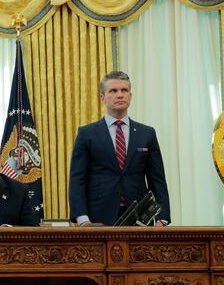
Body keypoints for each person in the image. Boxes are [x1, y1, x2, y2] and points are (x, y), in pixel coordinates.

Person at [68, 71, 170, 226]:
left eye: (124, 90)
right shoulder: (86, 134)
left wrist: (162, 218)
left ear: (130, 96)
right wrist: (83, 219)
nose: (120, 95)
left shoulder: (147, 134)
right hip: (98, 218)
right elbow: (77, 180)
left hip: (140, 218)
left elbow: (157, 180)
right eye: (113, 91)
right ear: (102, 98)